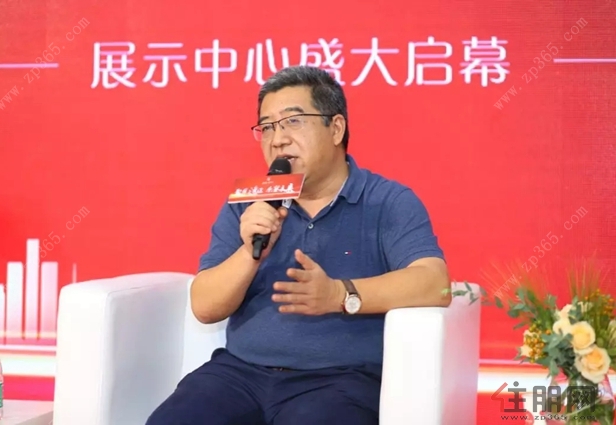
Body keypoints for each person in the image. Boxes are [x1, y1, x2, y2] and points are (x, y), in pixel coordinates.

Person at [146, 65, 451, 425]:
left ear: (336, 128)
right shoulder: (249, 203)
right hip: (240, 373)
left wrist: (339, 294)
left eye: (293, 122)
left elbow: (436, 283)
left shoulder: (387, 201)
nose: (277, 139)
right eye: (267, 127)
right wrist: (249, 253)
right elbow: (204, 307)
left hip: (340, 380)